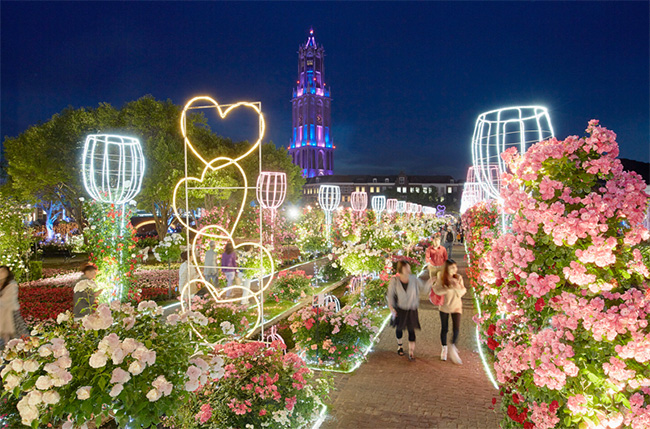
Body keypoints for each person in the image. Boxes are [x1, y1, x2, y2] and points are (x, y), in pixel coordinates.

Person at [386, 260, 433, 361]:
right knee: (399, 328)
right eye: (406, 267)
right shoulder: (394, 280)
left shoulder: (413, 279)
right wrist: (391, 308)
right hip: (400, 308)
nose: (408, 269)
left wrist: (430, 282)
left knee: (411, 330)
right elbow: (390, 295)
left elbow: (424, 288)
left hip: (411, 308)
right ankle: (400, 346)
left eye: (408, 267)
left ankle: (411, 352)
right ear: (401, 269)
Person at [433, 259, 466, 364]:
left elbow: (462, 292)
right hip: (444, 306)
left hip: (456, 306)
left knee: (456, 328)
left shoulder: (458, 277)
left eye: (455, 267)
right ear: (446, 268)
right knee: (444, 328)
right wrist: (448, 288)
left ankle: (453, 346)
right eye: (452, 267)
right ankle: (444, 349)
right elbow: (436, 290)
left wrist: (456, 287)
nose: (455, 269)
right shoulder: (441, 276)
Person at [0, 266, 26, 346]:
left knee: (20, 339)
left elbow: (6, 301)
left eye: (3, 271)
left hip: (12, 315)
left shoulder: (12, 285)